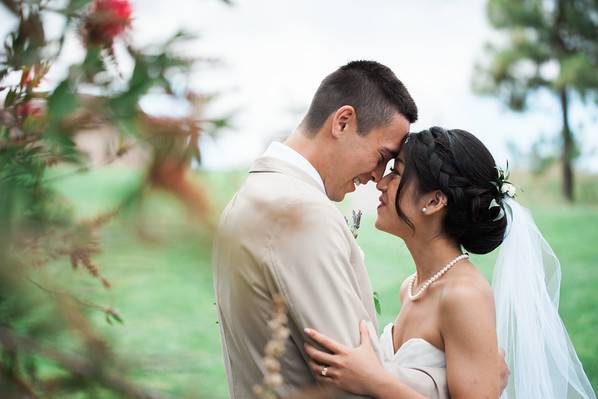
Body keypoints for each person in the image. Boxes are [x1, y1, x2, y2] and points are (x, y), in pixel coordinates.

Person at [212, 61, 489, 398]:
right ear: (343, 122)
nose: (378, 177)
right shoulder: (301, 214)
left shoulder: (250, 197)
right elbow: (354, 379)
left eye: (392, 168)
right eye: (382, 156)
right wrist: (446, 379)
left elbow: (359, 370)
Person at [305, 127, 596, 399]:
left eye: (397, 173)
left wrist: (374, 381)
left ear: (434, 202)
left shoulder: (464, 296)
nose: (381, 182)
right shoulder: (411, 287)